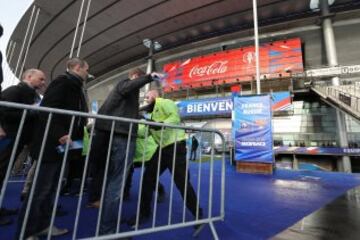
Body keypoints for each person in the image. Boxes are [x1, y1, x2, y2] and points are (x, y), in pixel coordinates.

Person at [15, 58, 89, 239]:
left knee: (51, 189)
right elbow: (48, 110)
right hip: (52, 145)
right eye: (86, 69)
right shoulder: (62, 83)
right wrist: (60, 134)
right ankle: (26, 232)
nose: (88, 73)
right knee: (41, 190)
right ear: (77, 68)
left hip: (63, 146)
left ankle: (43, 226)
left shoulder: (76, 87)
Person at [89, 68, 162, 235]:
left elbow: (132, 113)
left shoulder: (127, 99)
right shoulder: (125, 84)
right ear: (135, 77)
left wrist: (145, 115)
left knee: (113, 182)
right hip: (121, 137)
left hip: (115, 135)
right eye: (139, 78)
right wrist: (149, 77)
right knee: (116, 184)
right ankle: (107, 230)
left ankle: (108, 223)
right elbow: (127, 87)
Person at [128, 90, 202, 227]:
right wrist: (132, 126)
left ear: (155, 96)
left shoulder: (165, 103)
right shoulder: (149, 114)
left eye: (148, 96)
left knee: (182, 184)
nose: (146, 99)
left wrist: (155, 123)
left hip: (175, 147)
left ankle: (198, 214)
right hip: (161, 149)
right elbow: (144, 134)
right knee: (147, 179)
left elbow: (174, 118)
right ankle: (143, 213)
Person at [0, 69, 46, 226]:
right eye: (41, 79)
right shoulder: (14, 91)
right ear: (29, 77)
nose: (43, 82)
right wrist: (32, 111)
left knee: (3, 173)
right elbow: (5, 112)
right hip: (8, 137)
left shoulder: (33, 95)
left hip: (19, 139)